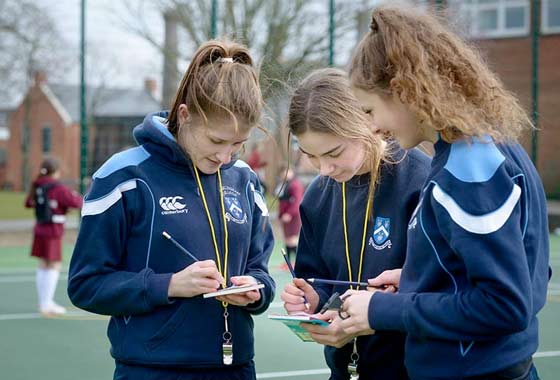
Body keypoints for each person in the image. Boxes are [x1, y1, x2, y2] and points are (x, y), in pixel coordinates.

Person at [339, 4, 550, 380]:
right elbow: (527, 267)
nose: (373, 128)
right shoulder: (488, 148)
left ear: (404, 92)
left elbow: (505, 304)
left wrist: (381, 310)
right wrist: (421, 278)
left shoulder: (470, 170)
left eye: (370, 111)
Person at [68, 40, 275, 380]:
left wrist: (256, 289)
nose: (226, 156)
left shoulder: (245, 179)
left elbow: (260, 270)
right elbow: (85, 285)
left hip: (237, 367)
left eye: (238, 144)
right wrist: (169, 285)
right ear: (184, 115)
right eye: (216, 141)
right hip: (151, 370)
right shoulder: (124, 176)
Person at [280, 68, 431, 380]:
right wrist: (312, 298)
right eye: (311, 155)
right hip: (344, 370)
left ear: (366, 123)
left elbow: (441, 289)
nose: (323, 169)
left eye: (334, 153)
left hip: (411, 370)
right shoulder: (317, 197)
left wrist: (381, 309)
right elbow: (319, 279)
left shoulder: (421, 180)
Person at [24, 157, 82, 315]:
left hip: (39, 228)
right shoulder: (58, 188)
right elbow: (77, 202)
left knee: (43, 264)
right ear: (56, 171)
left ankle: (43, 302)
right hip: (52, 231)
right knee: (54, 265)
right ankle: (46, 303)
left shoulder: (37, 185)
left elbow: (28, 203)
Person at [276, 165, 304, 267]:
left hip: (293, 216)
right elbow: (281, 200)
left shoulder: (295, 185)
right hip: (285, 216)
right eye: (283, 172)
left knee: (293, 240)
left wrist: (289, 213)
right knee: (287, 239)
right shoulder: (284, 184)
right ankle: (287, 263)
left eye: (287, 172)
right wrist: (281, 215)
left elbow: (297, 201)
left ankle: (299, 263)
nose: (285, 174)